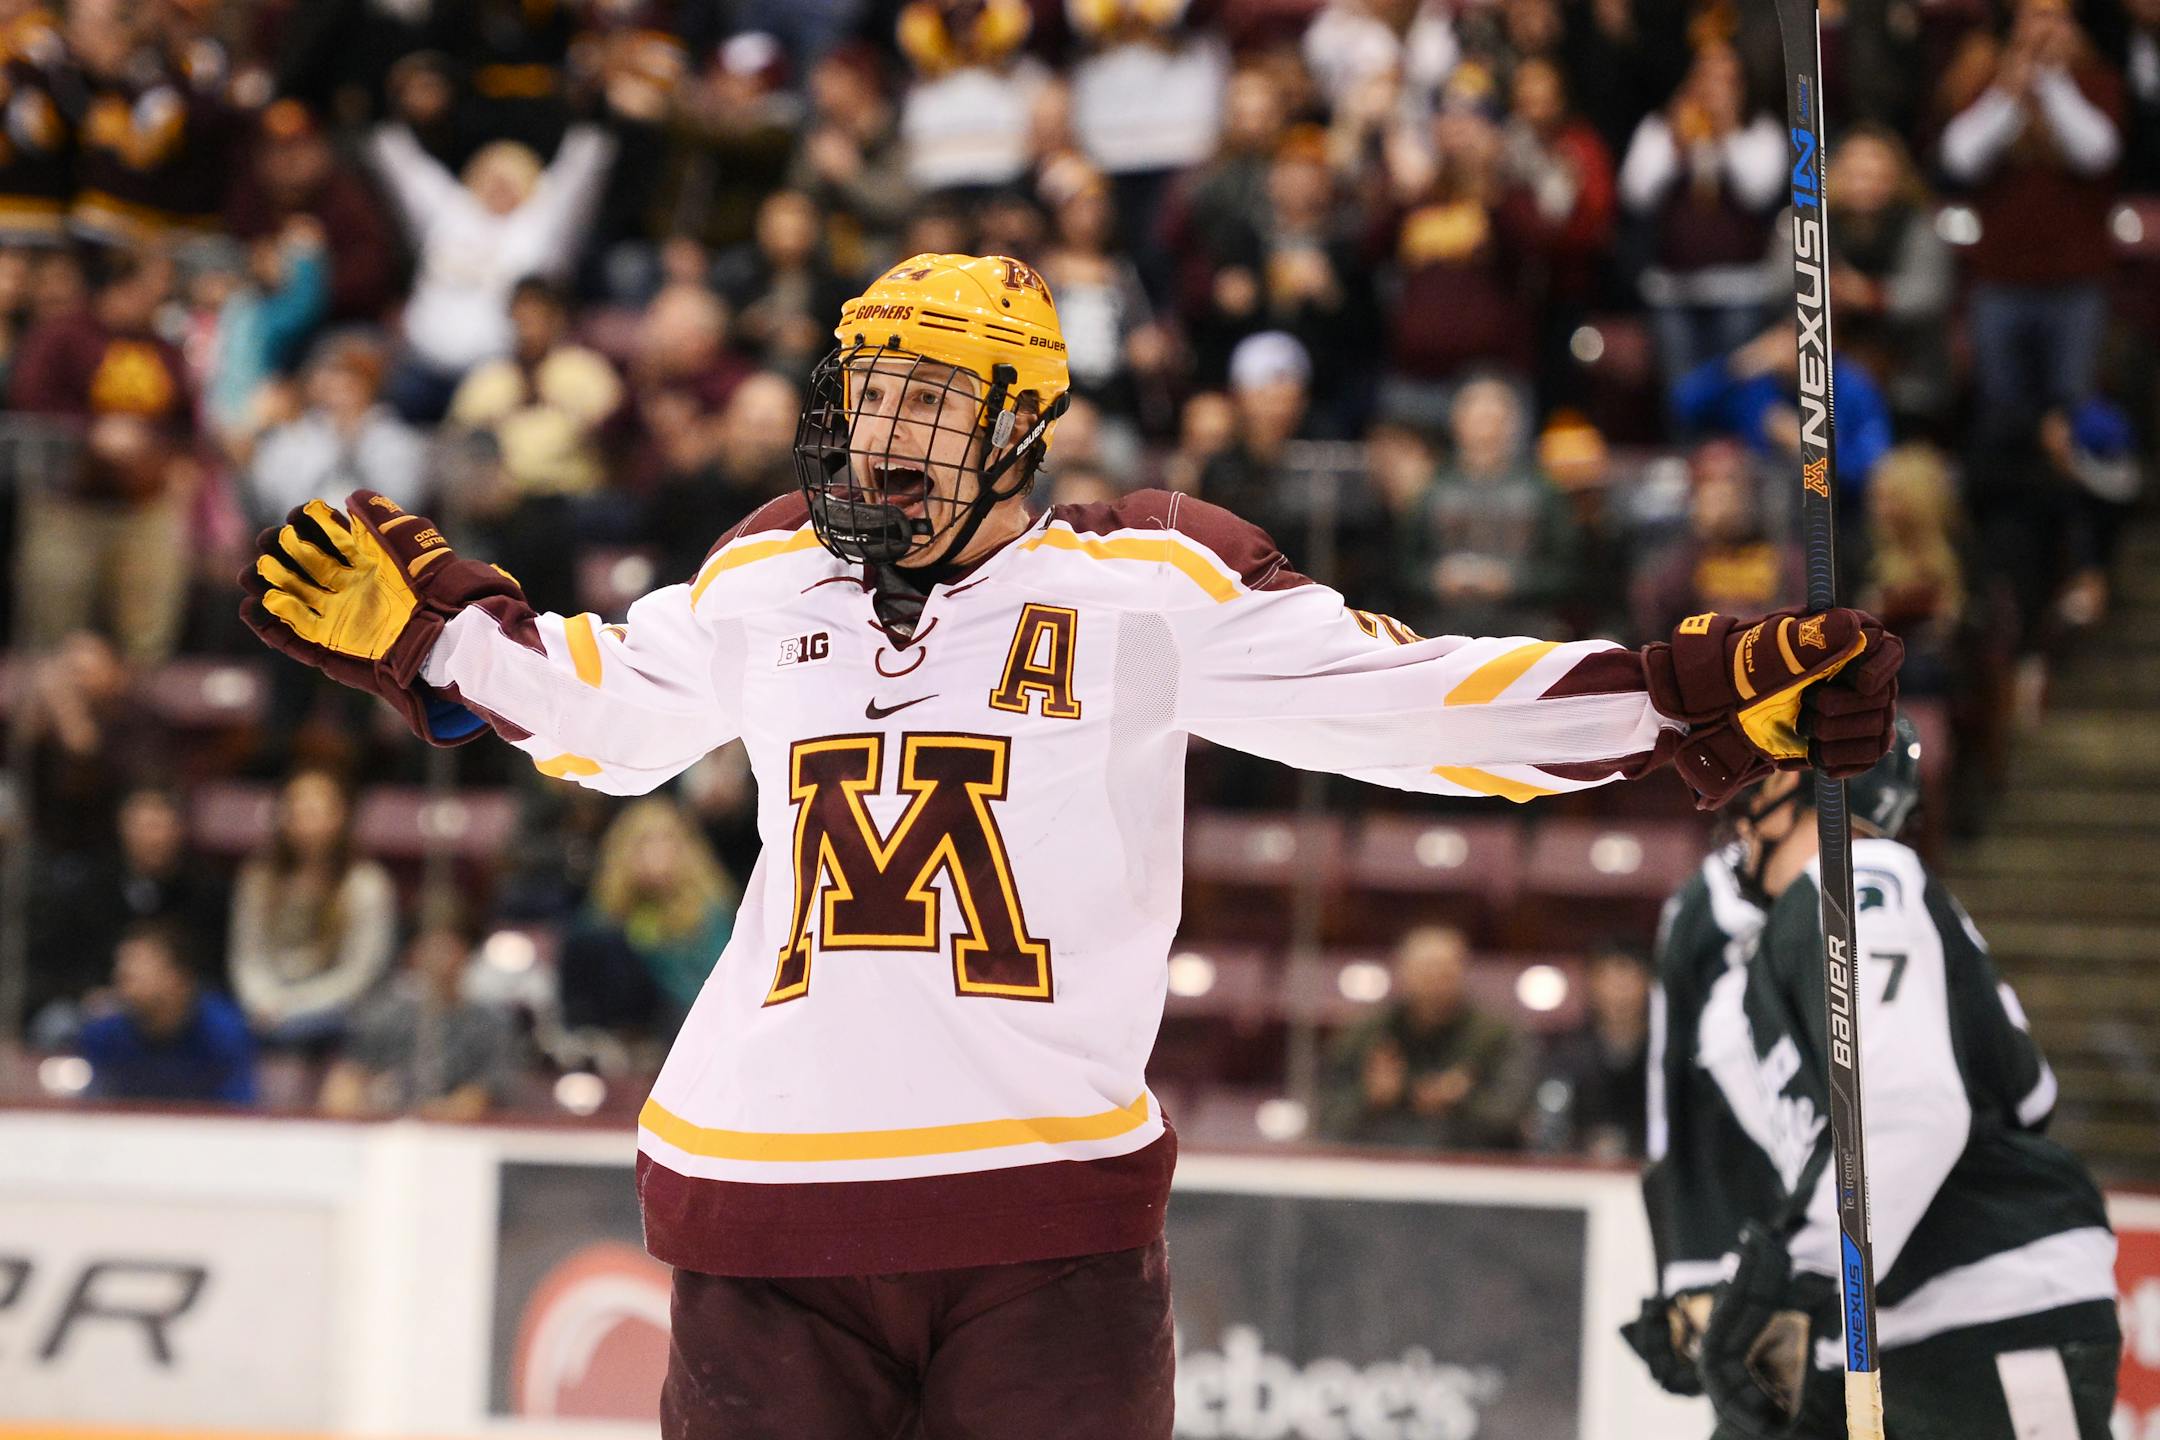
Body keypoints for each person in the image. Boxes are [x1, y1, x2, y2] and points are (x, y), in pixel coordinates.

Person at [238, 251, 1900, 1438]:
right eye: (863, 391)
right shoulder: (764, 579)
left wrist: (1695, 699)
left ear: (1019, 426)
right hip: (768, 1213)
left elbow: (1423, 704)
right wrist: (435, 639)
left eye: (927, 402)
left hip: (1048, 1222)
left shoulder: (1140, 587)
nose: (879, 431)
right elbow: (606, 715)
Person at [1630, 723, 2120, 1437]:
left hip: (1990, 1297)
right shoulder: (1790, 935)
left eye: (1761, 777)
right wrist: (1721, 1289)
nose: (1736, 807)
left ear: (1812, 784)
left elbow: (1904, 1112)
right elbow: (1821, 1159)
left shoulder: (1858, 880)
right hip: (1900, 1321)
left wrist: (1787, 1280)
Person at [1319, 924, 1535, 1150]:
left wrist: (1461, 1101)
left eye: (1444, 970)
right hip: (1381, 1165)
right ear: (1402, 971)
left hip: (1475, 1167)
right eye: (1426, 969)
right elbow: (1325, 1117)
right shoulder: (1366, 1034)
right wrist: (1370, 1097)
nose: (1435, 980)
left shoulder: (1498, 1035)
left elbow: (1512, 1115)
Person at [228, 769, 398, 1048]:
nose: (307, 824)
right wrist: (262, 1000)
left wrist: (291, 1008)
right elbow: (248, 956)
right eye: (298, 813)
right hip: (266, 1006)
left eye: (316, 813)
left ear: (340, 817)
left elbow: (360, 973)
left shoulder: (366, 883)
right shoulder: (258, 879)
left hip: (337, 1009)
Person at [561, 799, 737, 1040]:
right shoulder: (603, 922)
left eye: (666, 840)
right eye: (644, 842)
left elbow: (716, 983)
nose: (656, 853)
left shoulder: (710, 910)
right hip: (621, 1038)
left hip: (692, 1030)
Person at [318, 923, 517, 1122]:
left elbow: (481, 1095)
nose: (437, 958)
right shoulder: (386, 1014)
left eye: (447, 948)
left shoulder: (488, 1023)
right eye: (430, 948)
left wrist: (433, 1114)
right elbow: (346, 1081)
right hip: (385, 1127)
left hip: (457, 1134)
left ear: (465, 954)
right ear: (414, 955)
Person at [78, 922, 258, 1106]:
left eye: (139, 962)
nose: (123, 973)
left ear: (178, 977)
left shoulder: (224, 1032)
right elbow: (92, 1110)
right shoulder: (103, 1035)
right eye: (121, 962)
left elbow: (239, 1113)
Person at [1533, 942, 1651, 1158]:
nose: (1620, 992)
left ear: (1648, 984)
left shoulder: (1666, 1057)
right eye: (1610, 981)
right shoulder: (1567, 1053)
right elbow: (1549, 1122)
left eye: (1629, 980)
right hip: (1580, 1171)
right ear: (1593, 985)